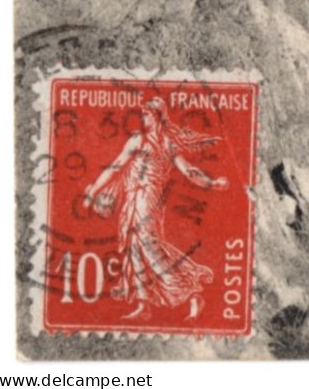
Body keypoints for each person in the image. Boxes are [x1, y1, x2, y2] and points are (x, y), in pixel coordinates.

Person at [80, 98, 229, 321]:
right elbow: (115, 168)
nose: (143, 118)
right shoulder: (137, 140)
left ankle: (190, 292)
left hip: (148, 197)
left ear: (157, 117)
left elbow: (189, 171)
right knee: (134, 247)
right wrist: (93, 192)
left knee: (148, 245)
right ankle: (143, 304)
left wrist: (211, 183)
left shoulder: (163, 143)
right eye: (143, 114)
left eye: (147, 114)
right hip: (134, 197)